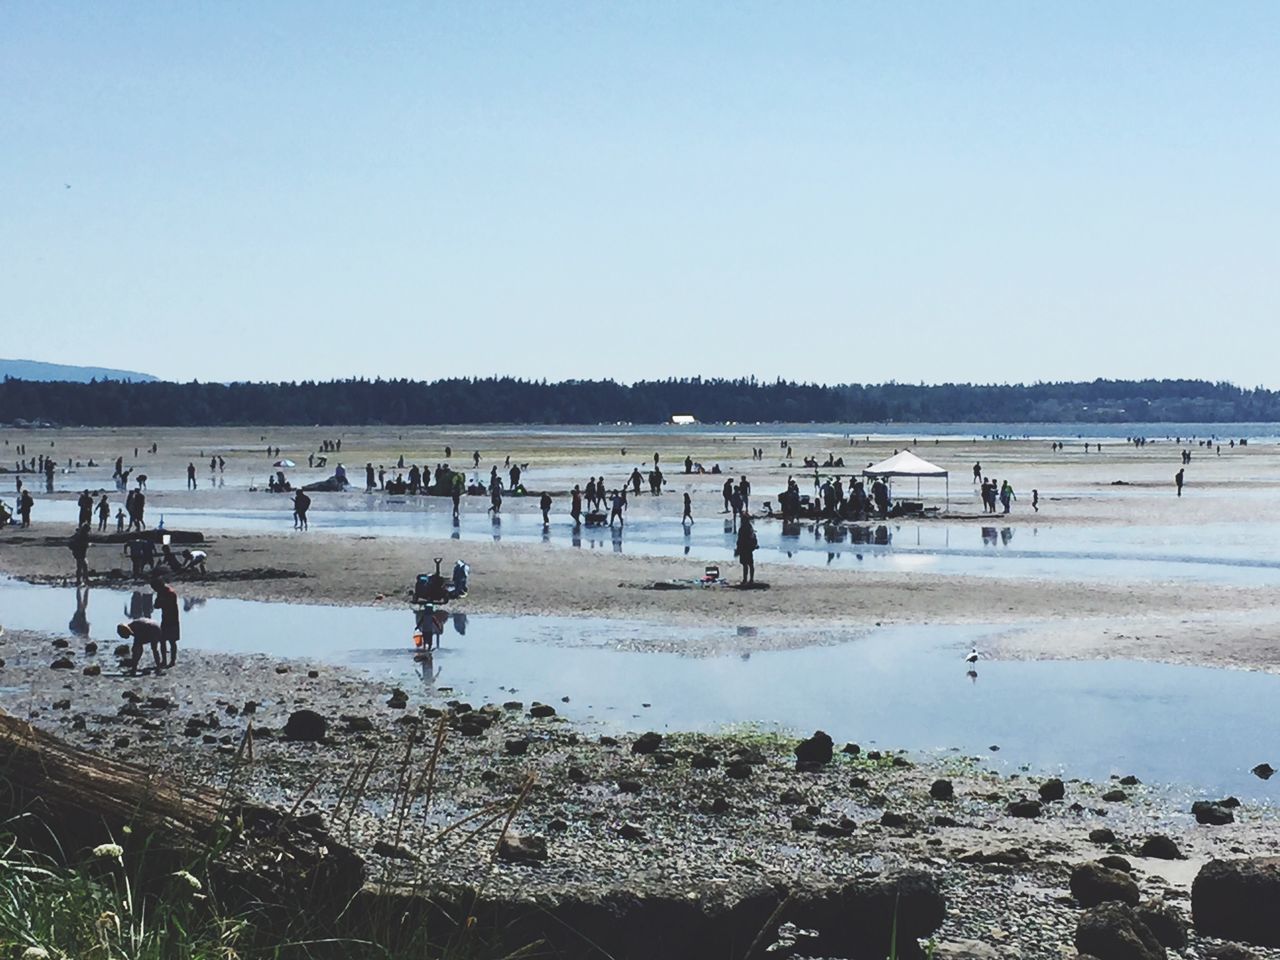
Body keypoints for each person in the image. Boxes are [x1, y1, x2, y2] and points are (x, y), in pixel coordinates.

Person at [152, 576, 180, 667]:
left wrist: (161, 600)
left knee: (172, 641)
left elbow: (163, 604)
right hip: (165, 619)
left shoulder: (170, 593)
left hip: (173, 619)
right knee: (162, 640)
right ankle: (164, 660)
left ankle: (172, 661)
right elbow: (156, 605)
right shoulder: (161, 593)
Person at [734, 514, 758, 584]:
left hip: (744, 548)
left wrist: (738, 549)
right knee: (750, 564)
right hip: (749, 548)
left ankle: (745, 579)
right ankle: (751, 579)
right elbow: (753, 537)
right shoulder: (750, 527)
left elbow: (740, 539)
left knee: (745, 565)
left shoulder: (742, 528)